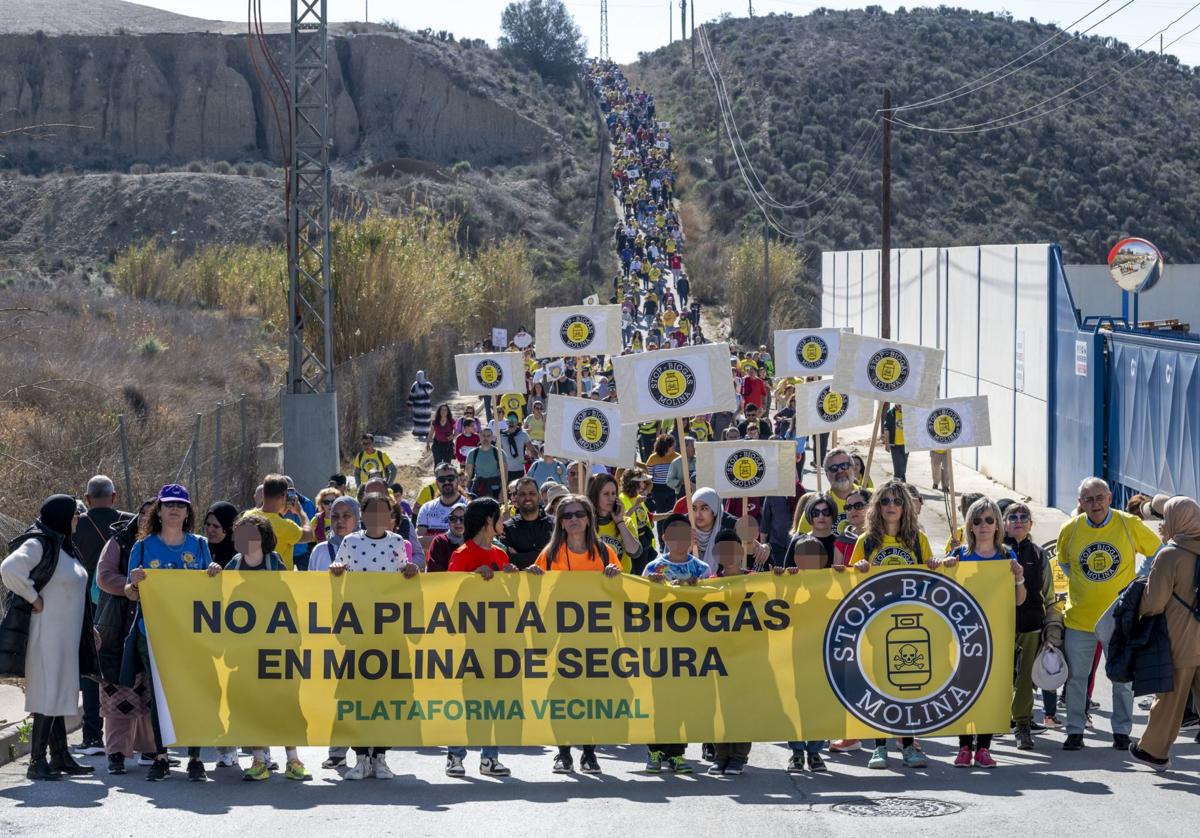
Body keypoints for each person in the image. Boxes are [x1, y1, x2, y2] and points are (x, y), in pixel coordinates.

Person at [1056, 477, 1161, 751]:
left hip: (1119, 617)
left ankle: (1122, 731)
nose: (1095, 504)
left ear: (1110, 497)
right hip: (1079, 618)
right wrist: (1079, 582)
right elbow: (1064, 561)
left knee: (1122, 677)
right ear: (1080, 503)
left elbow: (1158, 552)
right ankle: (1075, 730)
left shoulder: (1129, 523)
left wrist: (1139, 579)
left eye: (1099, 497)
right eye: (1088, 499)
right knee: (1076, 678)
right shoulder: (1070, 529)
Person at [1, 495, 99, 781]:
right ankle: (36, 761)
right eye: (74, 515)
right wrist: (33, 597)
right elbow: (9, 568)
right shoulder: (39, 542)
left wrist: (87, 628)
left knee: (58, 693)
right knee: (47, 694)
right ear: (61, 516)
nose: (77, 519)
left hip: (65, 637)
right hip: (45, 636)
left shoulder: (63, 545)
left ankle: (60, 756)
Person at [208, 513, 308, 781]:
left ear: (263, 537)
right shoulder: (234, 563)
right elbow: (219, 595)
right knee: (250, 704)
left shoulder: (274, 562)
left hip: (279, 647)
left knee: (285, 704)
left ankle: (293, 760)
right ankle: (259, 760)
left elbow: (291, 597)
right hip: (245, 650)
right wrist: (214, 573)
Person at [123, 484, 212, 781]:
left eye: (181, 505)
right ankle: (161, 756)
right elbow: (131, 595)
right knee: (160, 697)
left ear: (188, 512)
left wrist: (214, 571)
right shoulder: (144, 547)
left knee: (195, 694)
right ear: (158, 511)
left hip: (193, 634)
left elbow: (209, 590)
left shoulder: (199, 545)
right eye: (169, 504)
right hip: (154, 634)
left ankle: (195, 758)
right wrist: (133, 583)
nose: (174, 509)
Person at [530, 495, 622, 773]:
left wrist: (613, 578)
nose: (573, 519)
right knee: (562, 697)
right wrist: (533, 576)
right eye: (567, 515)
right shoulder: (549, 554)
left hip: (597, 638)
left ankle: (590, 753)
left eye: (578, 514)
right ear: (560, 521)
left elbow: (621, 593)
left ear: (589, 517)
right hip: (562, 639)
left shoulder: (605, 552)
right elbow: (535, 595)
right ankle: (563, 753)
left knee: (591, 697)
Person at [330, 493, 419, 780]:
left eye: (385, 511)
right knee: (356, 695)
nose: (378, 516)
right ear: (363, 515)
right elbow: (339, 575)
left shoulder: (397, 543)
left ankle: (380, 756)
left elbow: (404, 583)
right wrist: (337, 572)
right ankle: (360, 757)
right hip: (359, 631)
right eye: (372, 511)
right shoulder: (350, 542)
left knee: (388, 695)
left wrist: (410, 571)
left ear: (392, 516)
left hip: (390, 633)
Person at [937, 497, 1026, 768]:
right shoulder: (960, 556)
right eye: (977, 520)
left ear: (998, 525)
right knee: (964, 688)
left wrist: (1019, 577)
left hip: (995, 635)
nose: (984, 525)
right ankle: (964, 746)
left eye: (989, 520)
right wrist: (941, 564)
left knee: (991, 688)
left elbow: (1019, 600)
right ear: (970, 526)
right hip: (963, 634)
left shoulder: (1006, 556)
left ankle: (984, 748)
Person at [849, 480, 930, 770]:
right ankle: (879, 747)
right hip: (874, 624)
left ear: (906, 506)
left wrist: (935, 565)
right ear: (877, 507)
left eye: (897, 501)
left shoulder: (918, 541)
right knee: (879, 687)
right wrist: (857, 572)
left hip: (909, 622)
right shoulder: (866, 542)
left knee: (907, 686)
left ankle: (908, 747)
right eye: (885, 501)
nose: (891, 506)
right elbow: (851, 587)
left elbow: (929, 582)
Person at [445, 497, 516, 777]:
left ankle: (490, 758)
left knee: (493, 701)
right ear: (489, 520)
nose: (503, 522)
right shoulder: (462, 554)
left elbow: (511, 600)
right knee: (466, 701)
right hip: (468, 642)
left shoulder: (501, 555)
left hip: (496, 642)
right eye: (499, 517)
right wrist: (472, 579)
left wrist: (512, 578)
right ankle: (455, 756)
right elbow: (449, 599)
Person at [1130, 496, 1200, 771]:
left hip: (1179, 638)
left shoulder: (1171, 554)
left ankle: (1153, 752)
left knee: (1170, 698)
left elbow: (1154, 602)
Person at [94, 500, 157, 775]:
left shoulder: (173, 544)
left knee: (150, 693)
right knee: (118, 689)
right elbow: (104, 576)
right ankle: (116, 754)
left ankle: (152, 750)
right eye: (144, 514)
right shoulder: (119, 541)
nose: (146, 520)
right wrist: (128, 587)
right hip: (119, 627)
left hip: (159, 629)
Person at [640, 515, 706, 774]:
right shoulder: (653, 568)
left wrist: (694, 587)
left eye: (685, 534)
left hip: (690, 647)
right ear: (665, 538)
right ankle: (655, 751)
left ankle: (678, 753)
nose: (679, 540)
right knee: (659, 701)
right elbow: (642, 603)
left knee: (682, 702)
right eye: (673, 534)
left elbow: (714, 600)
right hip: (660, 646)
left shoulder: (701, 569)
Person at [73, 475, 126, 757]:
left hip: (86, 604)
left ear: (88, 497)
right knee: (123, 664)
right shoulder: (129, 522)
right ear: (114, 497)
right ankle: (127, 733)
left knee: (90, 668)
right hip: (122, 603)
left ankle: (92, 735)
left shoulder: (76, 525)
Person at [1003, 501, 1061, 750]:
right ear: (1004, 522)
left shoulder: (1039, 554)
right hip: (999, 625)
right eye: (1012, 516)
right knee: (1000, 677)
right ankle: (995, 720)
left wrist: (1052, 626)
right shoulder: (995, 551)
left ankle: (1023, 724)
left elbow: (1048, 595)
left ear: (1030, 524)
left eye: (1023, 516)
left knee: (1026, 679)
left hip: (1031, 624)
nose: (1018, 520)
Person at [254, 474, 314, 570]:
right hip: (278, 581)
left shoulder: (247, 516)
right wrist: (300, 511)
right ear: (283, 497)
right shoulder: (284, 526)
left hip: (251, 580)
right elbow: (309, 535)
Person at [797, 448, 861, 534]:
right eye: (833, 468)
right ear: (827, 475)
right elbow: (800, 543)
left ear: (853, 469)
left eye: (844, 465)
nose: (840, 470)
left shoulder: (872, 498)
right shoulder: (815, 506)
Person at [588, 472, 641, 573]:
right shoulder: (585, 523)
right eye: (606, 494)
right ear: (594, 495)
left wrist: (620, 522)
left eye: (613, 493)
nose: (611, 498)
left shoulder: (626, 521)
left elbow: (635, 552)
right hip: (594, 582)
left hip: (621, 582)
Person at [500, 477, 553, 569]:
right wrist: (541, 555)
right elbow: (506, 560)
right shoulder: (507, 528)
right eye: (522, 494)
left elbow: (557, 557)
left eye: (532, 493)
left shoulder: (555, 525)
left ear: (539, 496)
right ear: (516, 497)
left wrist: (520, 556)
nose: (527, 498)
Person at [417, 462, 468, 538]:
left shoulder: (469, 507)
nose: (446, 482)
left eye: (450, 478)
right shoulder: (426, 508)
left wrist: (434, 539)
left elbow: (474, 540)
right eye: (442, 479)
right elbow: (420, 541)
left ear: (457, 480)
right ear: (437, 483)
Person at [465, 426, 504, 499]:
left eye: (488, 436)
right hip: (478, 488)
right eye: (483, 435)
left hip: (495, 488)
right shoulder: (472, 453)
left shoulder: (499, 453)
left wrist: (502, 492)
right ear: (479, 436)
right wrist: (466, 491)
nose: (486, 438)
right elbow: (468, 475)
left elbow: (504, 474)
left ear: (492, 437)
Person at [645, 433, 679, 513]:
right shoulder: (653, 458)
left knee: (670, 514)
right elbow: (648, 476)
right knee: (660, 514)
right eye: (672, 446)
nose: (674, 447)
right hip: (657, 492)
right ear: (665, 446)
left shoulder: (677, 457)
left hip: (672, 491)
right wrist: (648, 493)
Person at [497, 412, 531, 486]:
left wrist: (538, 458)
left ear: (517, 422)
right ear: (507, 422)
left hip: (519, 469)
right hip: (505, 471)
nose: (511, 423)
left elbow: (531, 449)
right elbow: (498, 452)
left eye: (514, 420)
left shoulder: (523, 434)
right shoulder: (501, 435)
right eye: (510, 420)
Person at [882, 404, 908, 482]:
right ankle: (896, 484)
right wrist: (887, 444)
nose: (900, 404)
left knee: (903, 467)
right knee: (898, 467)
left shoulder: (908, 412)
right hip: (895, 445)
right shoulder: (891, 413)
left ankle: (902, 484)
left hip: (906, 444)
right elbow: (886, 429)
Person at [408, 371, 434, 441]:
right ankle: (426, 434)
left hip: (418, 408)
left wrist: (409, 404)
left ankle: (419, 434)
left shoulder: (415, 385)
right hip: (426, 407)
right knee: (426, 421)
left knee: (419, 421)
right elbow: (431, 389)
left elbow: (411, 396)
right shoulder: (428, 384)